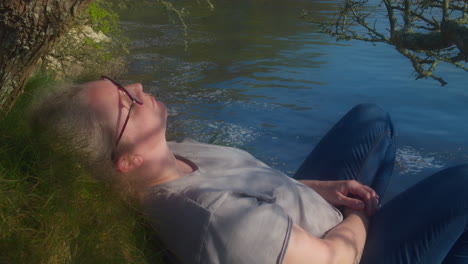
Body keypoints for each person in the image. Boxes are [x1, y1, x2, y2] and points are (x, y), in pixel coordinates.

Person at [31, 76, 468, 264]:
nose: (139, 87)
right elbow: (336, 259)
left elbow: (249, 186)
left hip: (303, 213)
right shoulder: (212, 218)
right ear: (127, 161)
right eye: (127, 103)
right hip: (346, 252)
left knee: (373, 121)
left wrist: (320, 188)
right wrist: (361, 217)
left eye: (119, 83)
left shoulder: (170, 154)